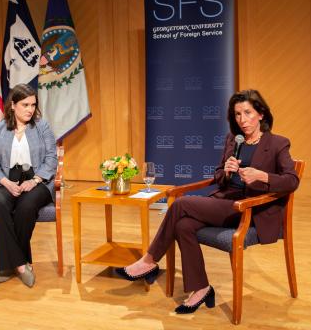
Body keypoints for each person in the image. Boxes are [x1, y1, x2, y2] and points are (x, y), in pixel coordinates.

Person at [116, 89, 300, 313]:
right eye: (237, 114)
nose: (242, 120)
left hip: (250, 210)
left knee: (181, 204)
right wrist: (227, 170)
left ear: (261, 114)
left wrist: (261, 176)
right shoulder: (234, 140)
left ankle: (149, 261)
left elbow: (292, 181)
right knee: (183, 225)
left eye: (247, 113)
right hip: (226, 202)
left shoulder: (279, 143)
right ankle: (201, 288)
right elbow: (218, 177)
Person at [0, 84, 57, 287]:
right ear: (13, 105)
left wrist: (34, 181)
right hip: (6, 180)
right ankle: (22, 265)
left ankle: (8, 265)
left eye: (33, 105)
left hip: (37, 181)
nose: (30, 109)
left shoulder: (42, 127)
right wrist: (5, 182)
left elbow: (51, 159)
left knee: (26, 207)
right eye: (25, 104)